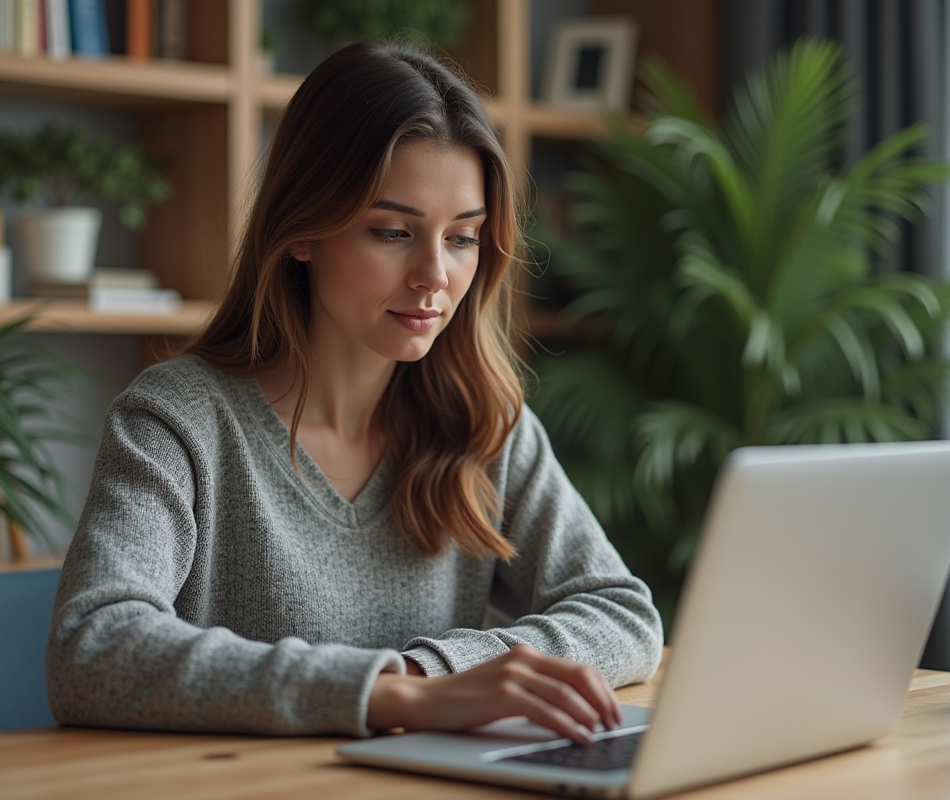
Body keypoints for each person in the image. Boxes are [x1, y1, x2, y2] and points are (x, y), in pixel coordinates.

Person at [46, 40, 663, 745]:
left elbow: (622, 613)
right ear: (303, 232)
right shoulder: (177, 421)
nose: (434, 275)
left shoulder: (481, 423)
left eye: (462, 238)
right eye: (393, 232)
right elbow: (90, 649)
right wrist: (392, 695)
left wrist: (428, 674)